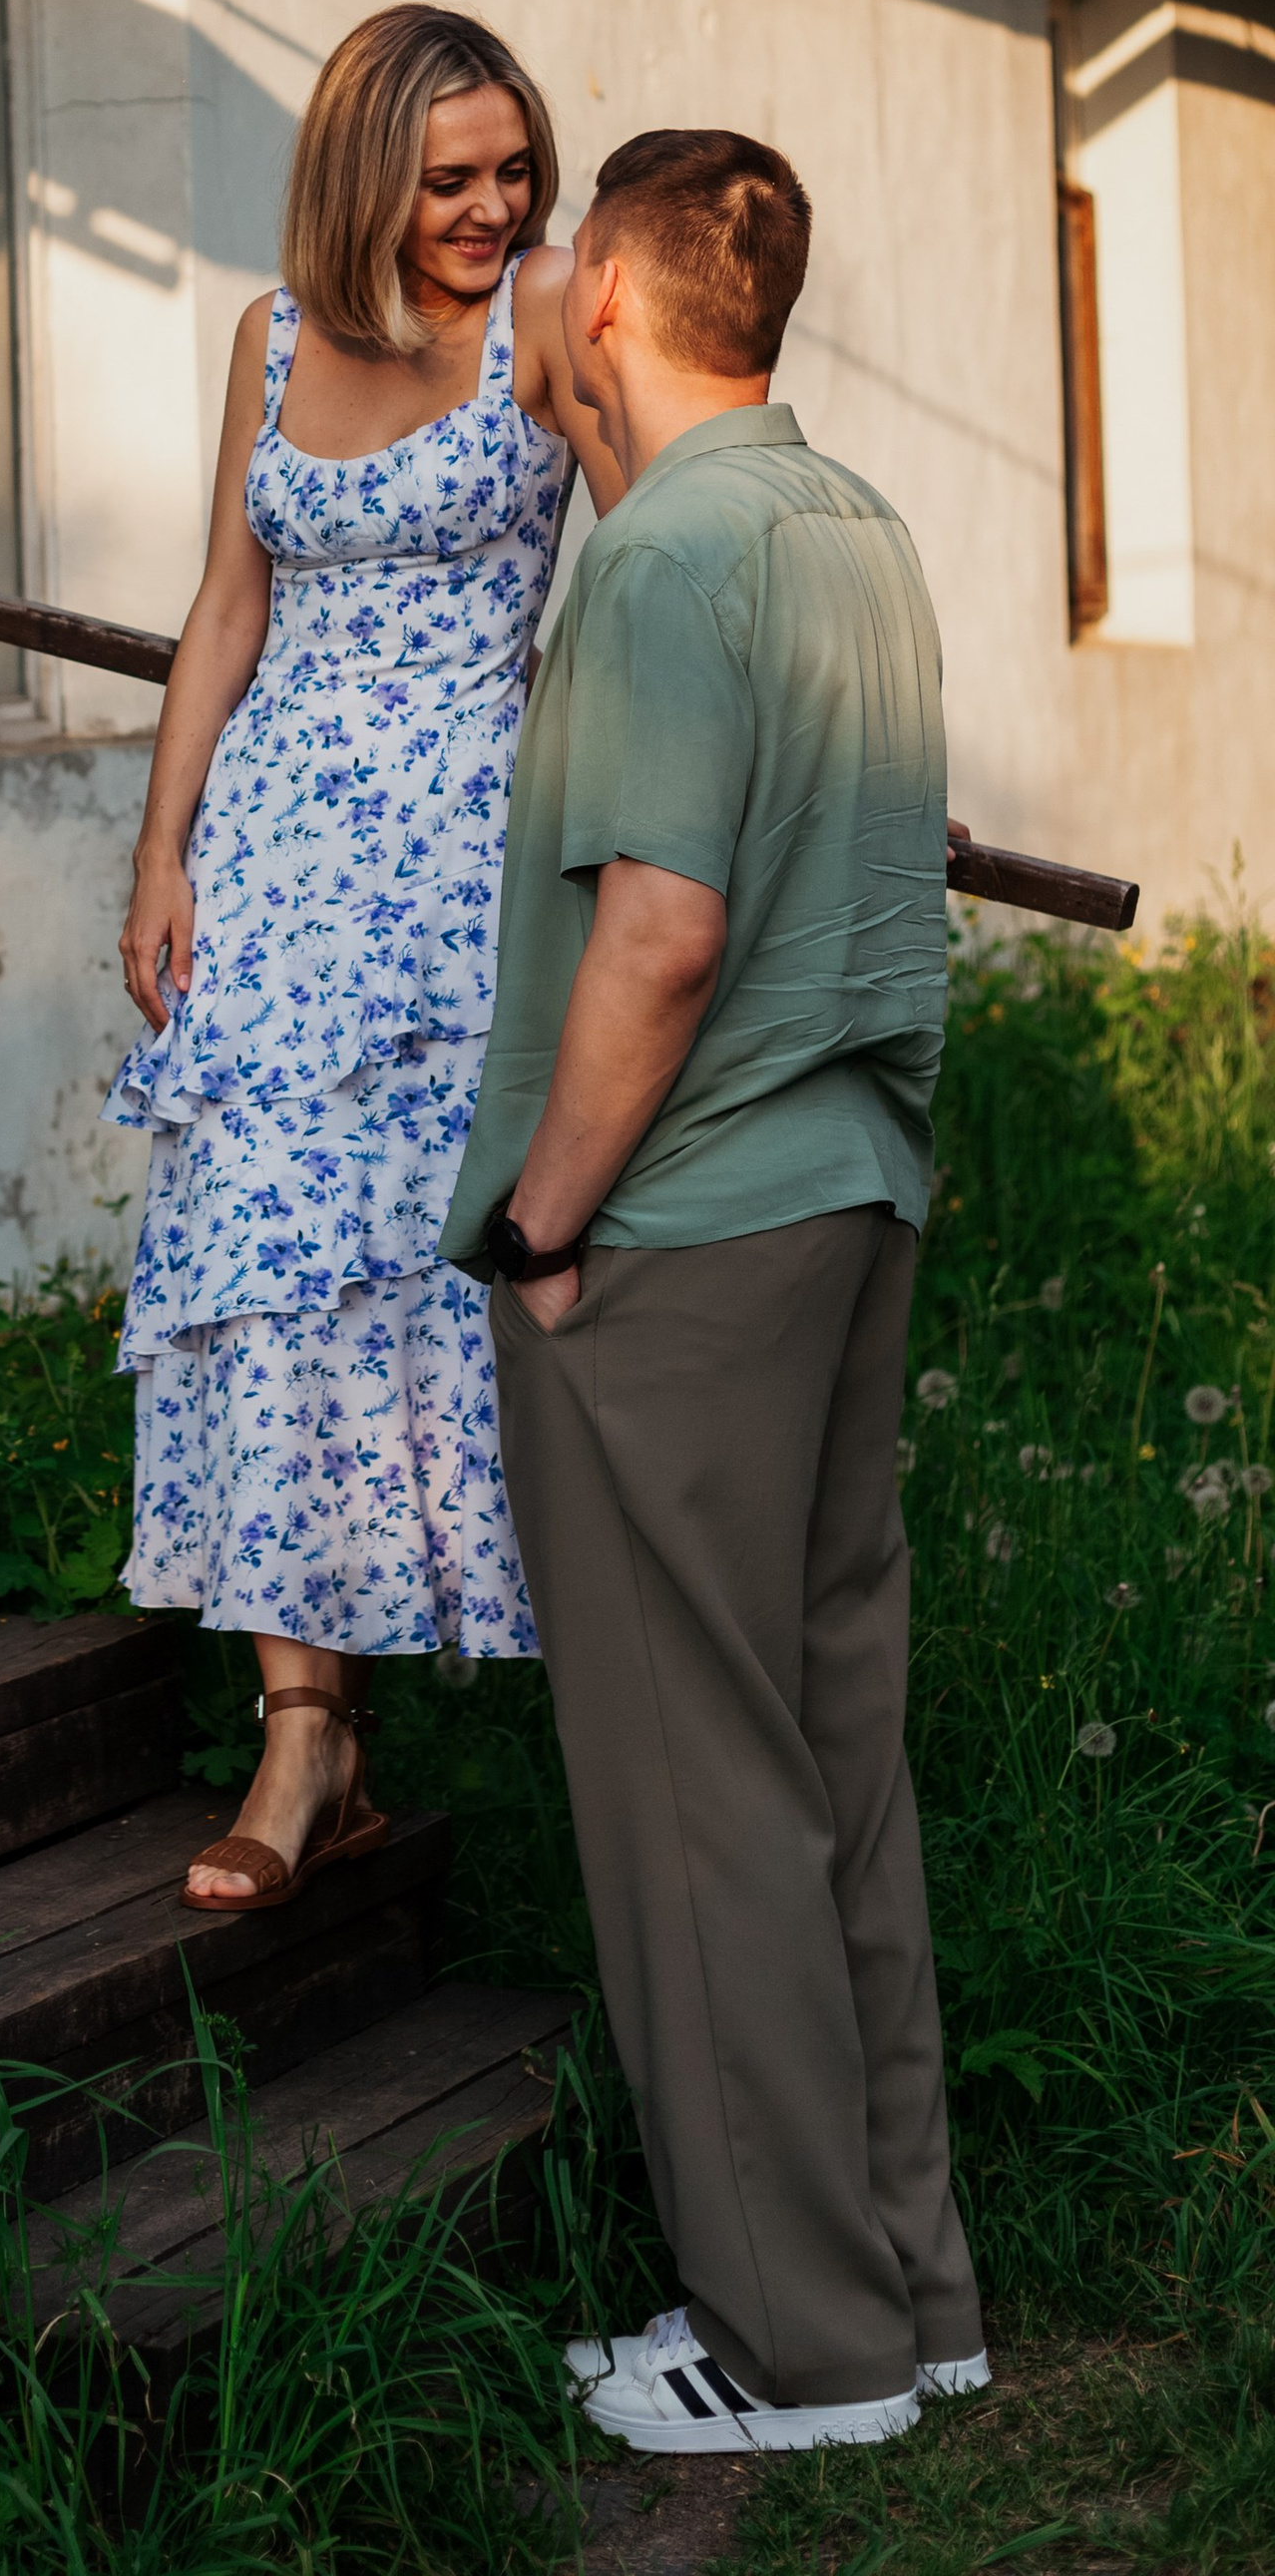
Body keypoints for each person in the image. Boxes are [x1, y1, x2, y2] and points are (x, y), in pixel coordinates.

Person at [440, 126, 983, 2457]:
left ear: (620, 300)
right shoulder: (839, 521)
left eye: (560, 250)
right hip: (847, 1191)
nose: (528, 270)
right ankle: (909, 2292)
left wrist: (537, 1223)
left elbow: (655, 931)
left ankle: (793, 2347)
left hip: (675, 1230)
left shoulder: (662, 562)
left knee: (688, 1789)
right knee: (824, 1759)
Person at [108, 3, 624, 1911]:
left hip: (468, 870)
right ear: (360, 174)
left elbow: (662, 544)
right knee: (263, 1272)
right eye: (451, 178)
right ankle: (303, 1732)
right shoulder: (267, 336)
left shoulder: (559, 309)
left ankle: (597, 1707)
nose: (493, 209)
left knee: (453, 1272)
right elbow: (226, 598)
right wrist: (162, 848)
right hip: (269, 874)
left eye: (514, 171)